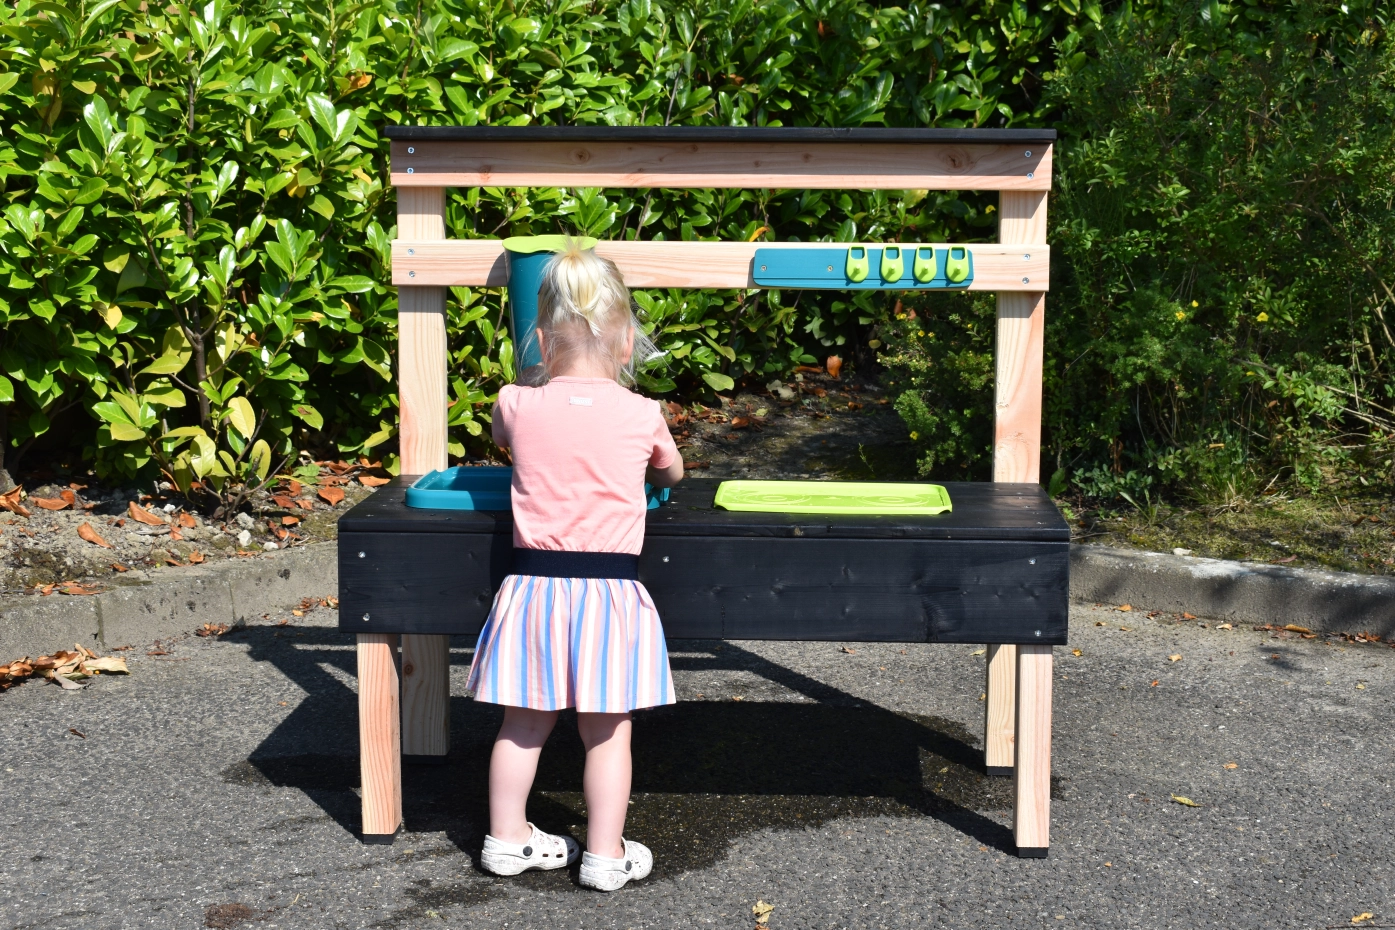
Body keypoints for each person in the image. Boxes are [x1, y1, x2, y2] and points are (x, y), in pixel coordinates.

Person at [466, 241, 683, 892]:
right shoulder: (642, 414)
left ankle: (506, 840)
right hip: (609, 595)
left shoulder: (515, 403)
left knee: (522, 723)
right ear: (627, 341)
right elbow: (671, 471)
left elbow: (505, 439)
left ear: (539, 341)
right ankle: (605, 854)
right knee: (608, 733)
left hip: (533, 588)